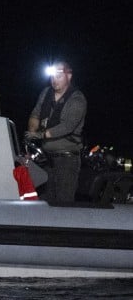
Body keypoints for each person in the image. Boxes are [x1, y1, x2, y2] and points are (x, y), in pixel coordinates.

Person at [25, 60, 86, 203]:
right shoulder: (46, 93)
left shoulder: (77, 99)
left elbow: (67, 126)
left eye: (59, 76)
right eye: (52, 76)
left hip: (66, 160)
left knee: (63, 202)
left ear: (69, 76)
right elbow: (35, 114)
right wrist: (31, 135)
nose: (54, 80)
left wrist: (41, 135)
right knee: (44, 201)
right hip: (47, 159)